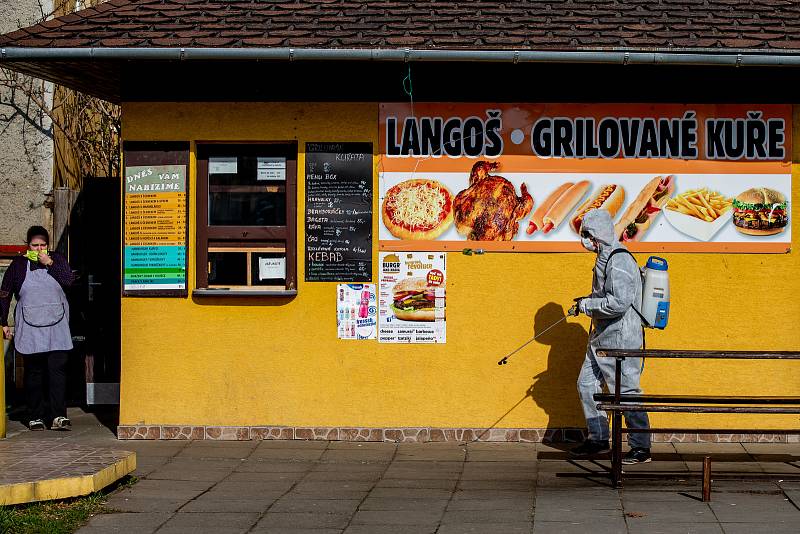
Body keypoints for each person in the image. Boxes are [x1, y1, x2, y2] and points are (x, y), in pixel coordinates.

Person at [567, 209, 651, 464]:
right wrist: (585, 302)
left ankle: (641, 447)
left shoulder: (620, 260)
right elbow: (604, 294)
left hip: (622, 338)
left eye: (587, 235)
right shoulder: (604, 258)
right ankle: (598, 438)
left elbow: (619, 303)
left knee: (626, 392)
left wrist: (587, 307)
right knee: (586, 384)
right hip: (601, 337)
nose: (585, 241)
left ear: (598, 235)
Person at [1, 226, 74, 431]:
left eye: (43, 245)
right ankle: (35, 416)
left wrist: (49, 263)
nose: (39, 249)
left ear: (48, 246)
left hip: (57, 327)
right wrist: (3, 321)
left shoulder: (57, 260)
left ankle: (58, 415)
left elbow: (69, 281)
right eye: (35, 245)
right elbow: (5, 293)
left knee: (57, 372)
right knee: (34, 373)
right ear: (28, 246)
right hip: (31, 327)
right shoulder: (18, 265)